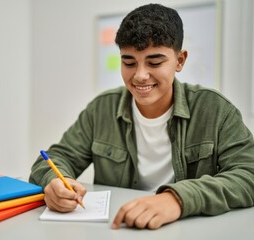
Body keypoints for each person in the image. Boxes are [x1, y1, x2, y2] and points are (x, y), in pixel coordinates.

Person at [29, 3, 254, 230]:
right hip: (118, 230)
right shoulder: (101, 109)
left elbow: (248, 174)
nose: (140, 76)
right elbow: (54, 158)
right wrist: (57, 181)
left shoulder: (215, 109)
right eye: (128, 62)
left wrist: (177, 199)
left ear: (180, 61)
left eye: (155, 62)